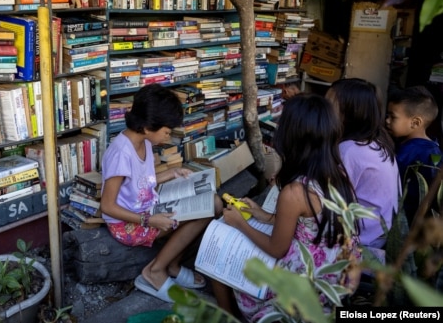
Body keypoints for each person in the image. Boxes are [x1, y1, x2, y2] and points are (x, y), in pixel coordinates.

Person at [216, 94, 361, 321]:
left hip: (305, 286)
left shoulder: (295, 192)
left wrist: (240, 223)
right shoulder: (338, 173)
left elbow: (277, 249)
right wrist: (263, 215)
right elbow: (312, 222)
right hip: (337, 274)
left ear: (292, 137)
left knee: (220, 257)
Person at [100, 83, 222, 303]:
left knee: (213, 202)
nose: (168, 137)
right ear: (147, 127)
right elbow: (107, 207)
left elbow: (139, 182)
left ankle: (173, 264)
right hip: (128, 224)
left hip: (146, 208)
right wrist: (149, 220)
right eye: (166, 132)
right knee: (207, 209)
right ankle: (155, 271)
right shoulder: (120, 153)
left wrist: (170, 173)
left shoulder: (143, 140)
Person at [326, 78, 400, 252]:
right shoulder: (379, 141)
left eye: (329, 106)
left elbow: (328, 201)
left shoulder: (349, 151)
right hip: (379, 233)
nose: (323, 110)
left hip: (362, 242)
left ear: (350, 114)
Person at [386, 85, 442, 225]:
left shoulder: (410, 153)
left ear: (415, 122)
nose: (387, 121)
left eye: (392, 117)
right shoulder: (433, 148)